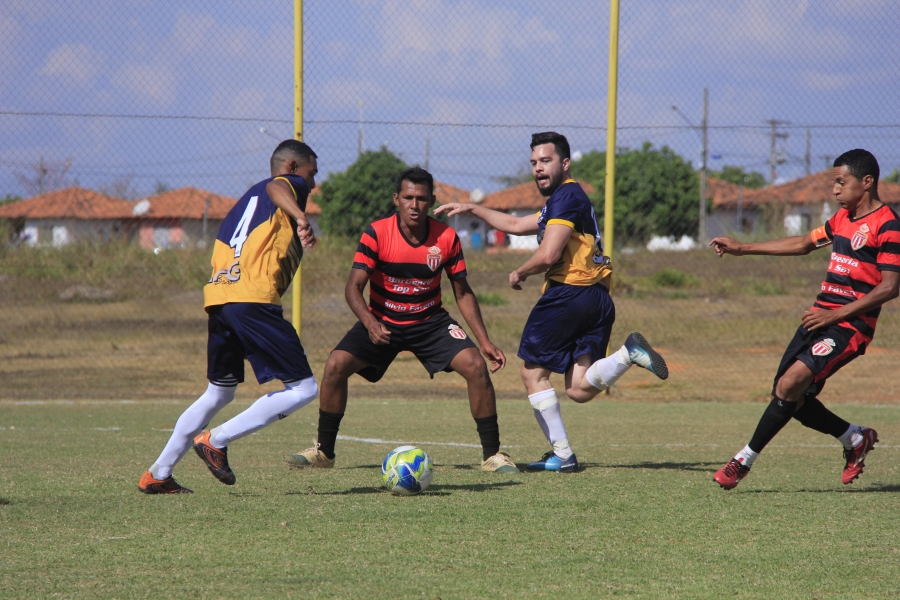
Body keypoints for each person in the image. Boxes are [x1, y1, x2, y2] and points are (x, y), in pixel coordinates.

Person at [435, 132, 668, 472]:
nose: (538, 168)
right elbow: (516, 223)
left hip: (568, 294)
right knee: (578, 388)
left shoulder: (566, 196)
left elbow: (548, 254)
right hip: (597, 297)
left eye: (546, 161)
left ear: (565, 163)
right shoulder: (564, 200)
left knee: (532, 373)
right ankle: (627, 354)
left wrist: (520, 272)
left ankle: (563, 456)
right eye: (534, 163)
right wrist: (473, 208)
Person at [285, 167, 519, 473]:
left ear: (431, 200)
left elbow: (462, 292)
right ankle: (324, 452)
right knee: (335, 365)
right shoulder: (377, 233)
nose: (414, 205)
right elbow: (353, 288)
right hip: (382, 320)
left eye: (421, 198)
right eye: (408, 197)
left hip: (430, 322)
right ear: (397, 199)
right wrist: (370, 323)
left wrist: (484, 341)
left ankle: (492, 455)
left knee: (476, 366)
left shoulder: (446, 237)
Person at [709, 149, 900, 489]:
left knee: (789, 386)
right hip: (819, 318)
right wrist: (743, 248)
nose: (835, 189)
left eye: (841, 182)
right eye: (834, 183)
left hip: (849, 325)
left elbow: (890, 287)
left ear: (867, 182)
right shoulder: (842, 218)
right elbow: (802, 243)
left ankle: (742, 461)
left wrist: (836, 314)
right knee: (788, 395)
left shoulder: (888, 225)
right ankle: (854, 438)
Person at [138, 139, 320, 494]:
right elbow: (278, 186)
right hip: (251, 298)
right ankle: (216, 440)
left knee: (219, 392)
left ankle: (158, 474)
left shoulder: (245, 202)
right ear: (293, 168)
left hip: (221, 297)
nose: (312, 183)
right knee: (304, 388)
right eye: (311, 173)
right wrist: (300, 217)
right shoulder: (284, 186)